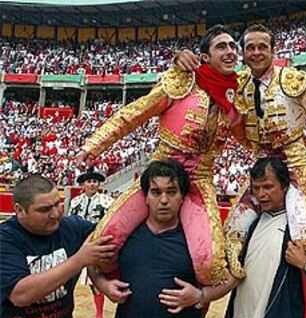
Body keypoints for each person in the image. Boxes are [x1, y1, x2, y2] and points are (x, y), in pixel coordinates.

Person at [175, 23, 306, 318]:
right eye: (250, 48)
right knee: (231, 235)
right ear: (243, 53)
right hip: (262, 168)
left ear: (272, 50)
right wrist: (181, 60)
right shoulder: (239, 84)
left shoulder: (292, 80)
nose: (256, 52)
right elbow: (205, 76)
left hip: (296, 168)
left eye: (262, 47)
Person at [76, 24, 248, 285]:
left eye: (233, 47)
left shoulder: (236, 96)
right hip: (158, 177)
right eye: (221, 46)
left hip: (198, 182)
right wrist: (94, 145)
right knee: (104, 245)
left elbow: (251, 138)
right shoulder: (180, 82)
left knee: (210, 265)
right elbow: (134, 113)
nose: (230, 52)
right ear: (204, 57)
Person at [157, 157, 306, 318]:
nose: (261, 194)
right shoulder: (249, 224)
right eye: (256, 188)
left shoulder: (305, 225)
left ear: (285, 187)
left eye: (268, 187)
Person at [89, 160, 209, 318]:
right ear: (145, 197)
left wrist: (201, 296)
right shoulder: (126, 233)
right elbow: (91, 264)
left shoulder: (197, 240)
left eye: (172, 192)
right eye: (156, 192)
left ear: (182, 197)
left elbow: (232, 278)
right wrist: (103, 286)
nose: (164, 200)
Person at [0, 175, 115, 318]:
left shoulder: (72, 227)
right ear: (20, 210)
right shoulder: (5, 238)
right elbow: (20, 294)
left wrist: (101, 282)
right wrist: (79, 260)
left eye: (57, 204)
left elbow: (102, 236)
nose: (55, 214)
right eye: (45, 209)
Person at [69, 167, 114, 318]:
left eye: (95, 181)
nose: (92, 184)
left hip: (96, 245)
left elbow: (111, 224)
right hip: (77, 245)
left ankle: (99, 316)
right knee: (69, 280)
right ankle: (68, 311)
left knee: (95, 281)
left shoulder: (107, 201)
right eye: (89, 181)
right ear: (83, 185)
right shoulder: (75, 202)